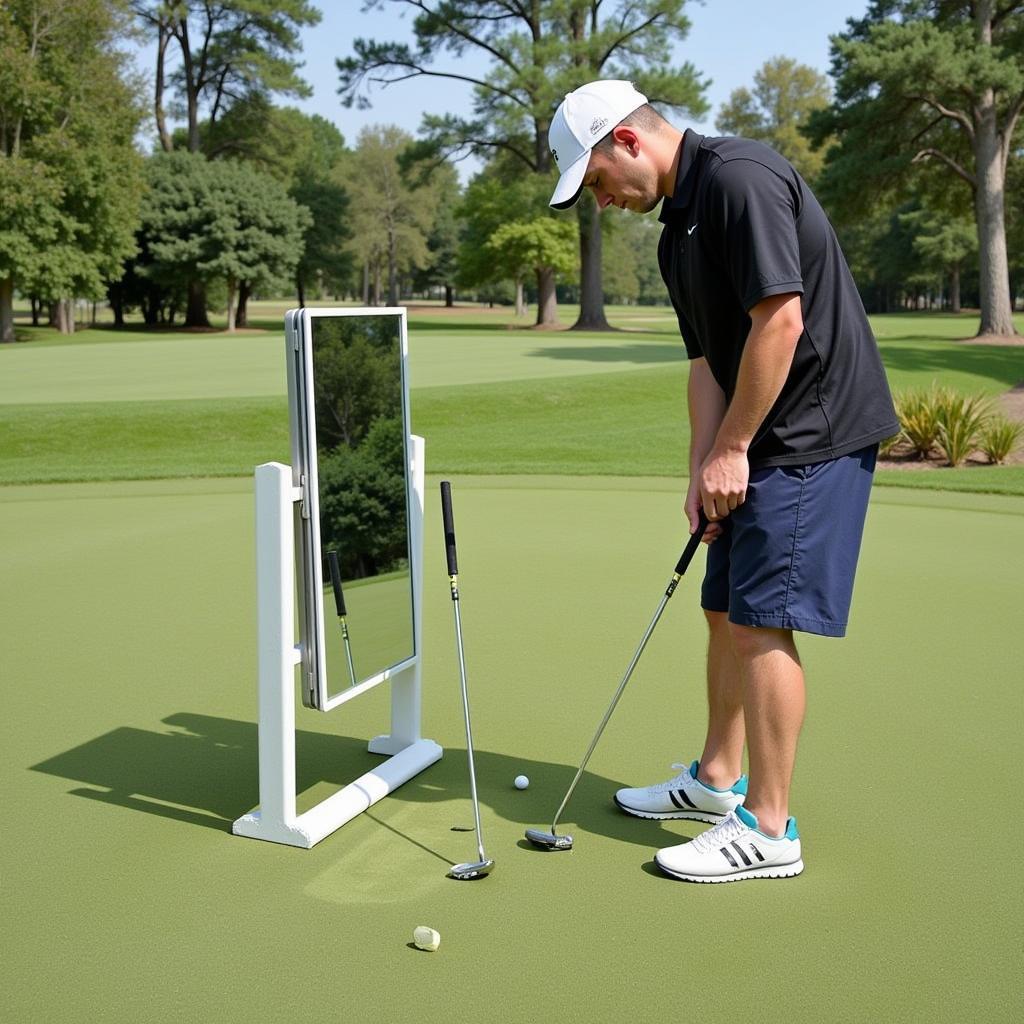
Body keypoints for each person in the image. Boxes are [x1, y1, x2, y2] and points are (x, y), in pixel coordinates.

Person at [547, 80, 899, 882]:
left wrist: (734, 450)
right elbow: (706, 362)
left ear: (627, 142)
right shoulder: (678, 232)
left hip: (813, 432)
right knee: (723, 608)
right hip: (753, 435)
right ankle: (715, 782)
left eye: (597, 182)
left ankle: (769, 830)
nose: (600, 201)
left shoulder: (739, 179)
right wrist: (703, 466)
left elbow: (781, 320)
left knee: (762, 622)